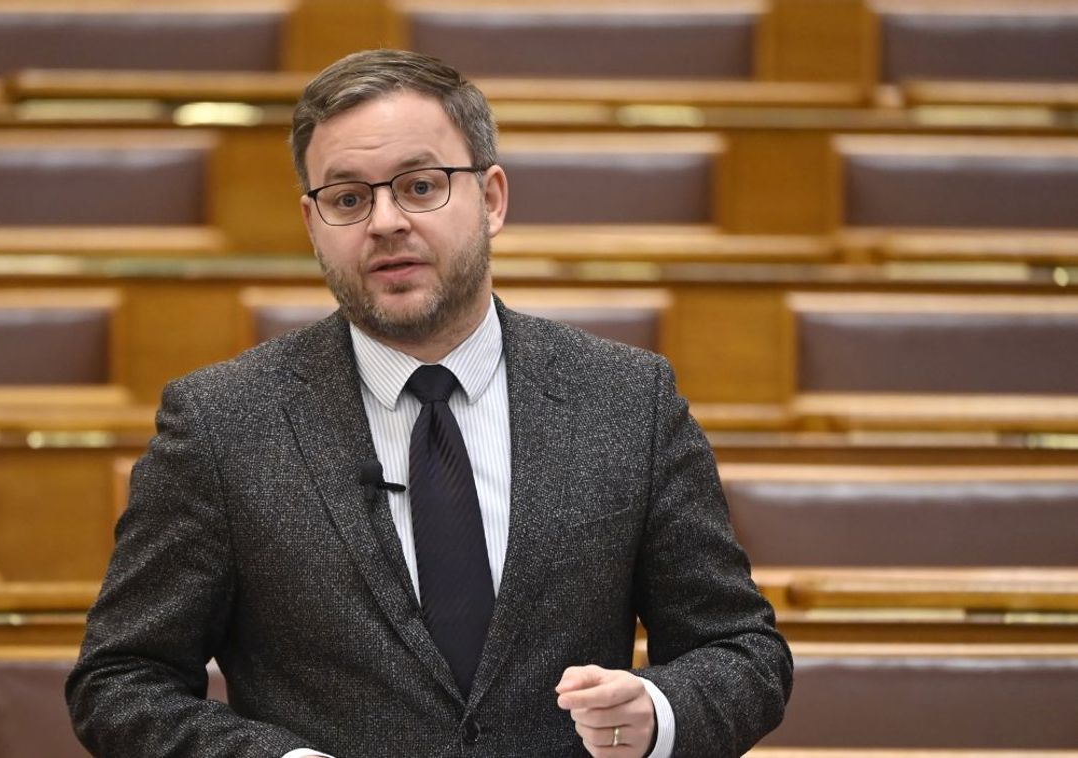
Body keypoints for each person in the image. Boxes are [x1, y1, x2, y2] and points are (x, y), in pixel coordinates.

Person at [67, 49, 791, 758]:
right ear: (313, 224)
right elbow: (121, 682)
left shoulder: (627, 400)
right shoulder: (222, 423)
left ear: (492, 199)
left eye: (420, 186)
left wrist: (657, 714)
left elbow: (740, 651)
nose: (385, 221)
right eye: (348, 199)